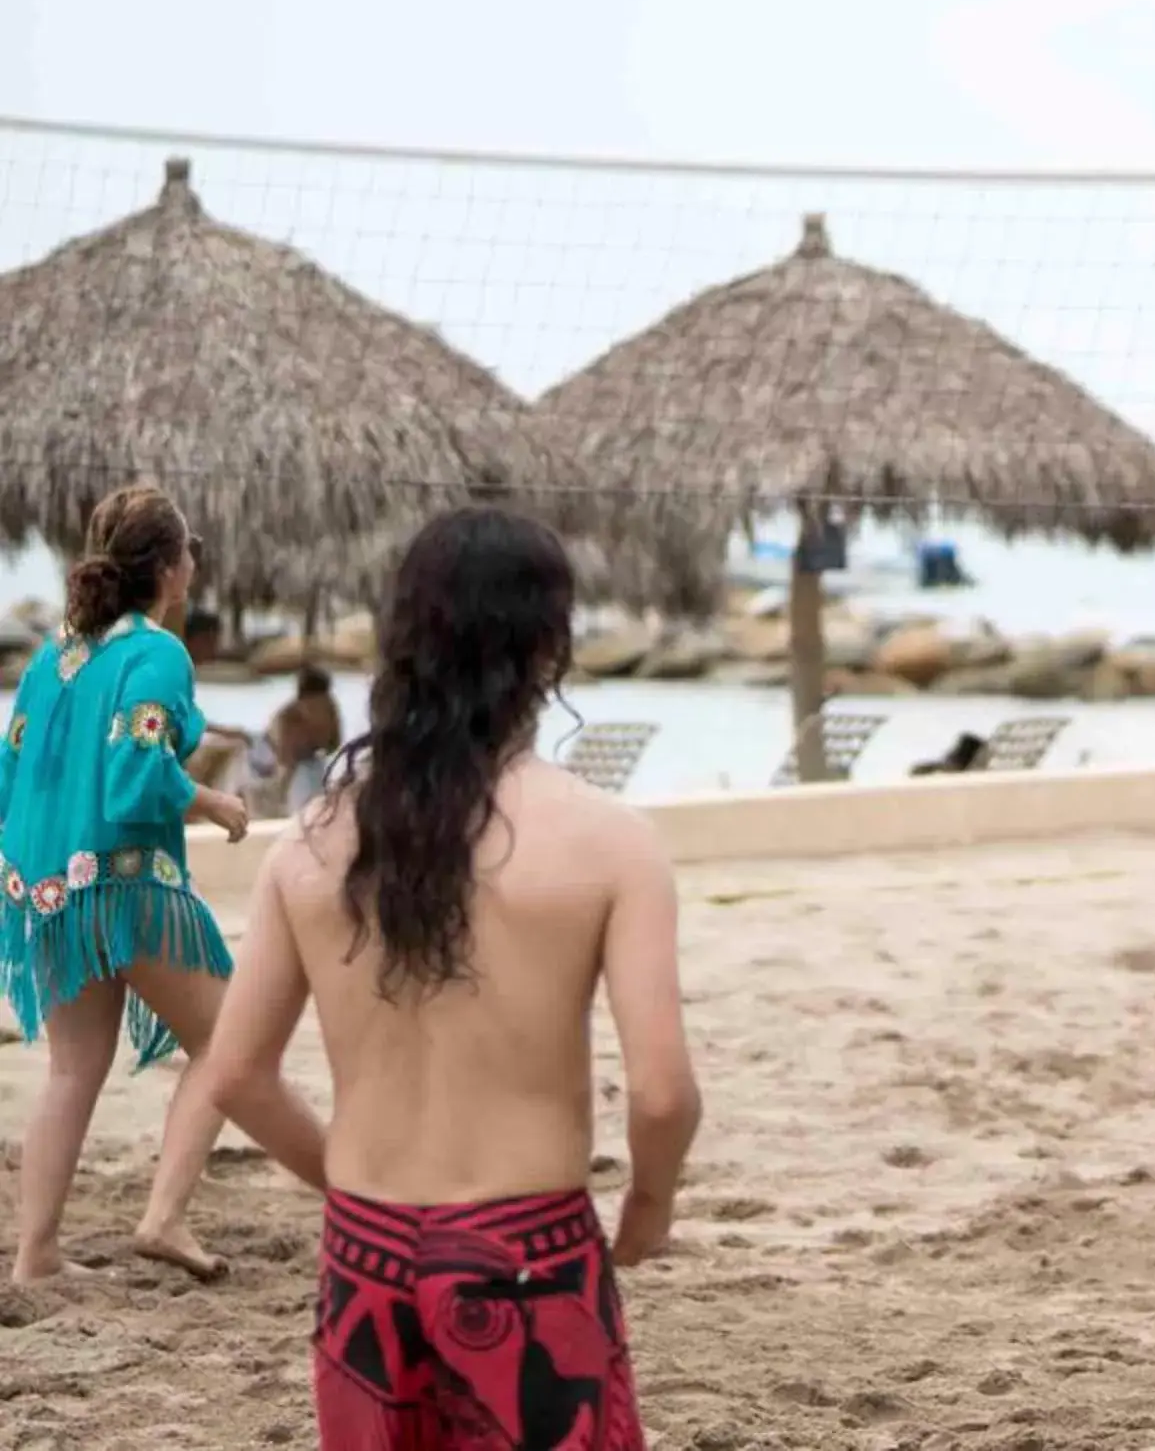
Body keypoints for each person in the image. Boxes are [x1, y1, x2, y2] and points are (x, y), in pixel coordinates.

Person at [194, 507, 701, 1445]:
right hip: (528, 1253)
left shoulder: (308, 846)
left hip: (365, 1260)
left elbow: (234, 1077)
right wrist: (649, 1203)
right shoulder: (609, 843)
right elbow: (663, 1092)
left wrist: (348, 1182)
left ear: (401, 642)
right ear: (551, 646)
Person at [1, 485, 327, 1282]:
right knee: (226, 1041)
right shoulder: (157, 652)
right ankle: (167, 1218)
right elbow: (131, 775)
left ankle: (36, 1255)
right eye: (191, 553)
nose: (194, 566)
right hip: (124, 883)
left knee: (74, 1070)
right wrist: (211, 800)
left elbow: (16, 767)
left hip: (45, 887)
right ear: (171, 567)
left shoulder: (57, 656)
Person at [263, 665, 343, 814]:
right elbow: (286, 758)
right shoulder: (289, 716)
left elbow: (334, 743)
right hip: (291, 766)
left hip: (307, 766)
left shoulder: (327, 708)